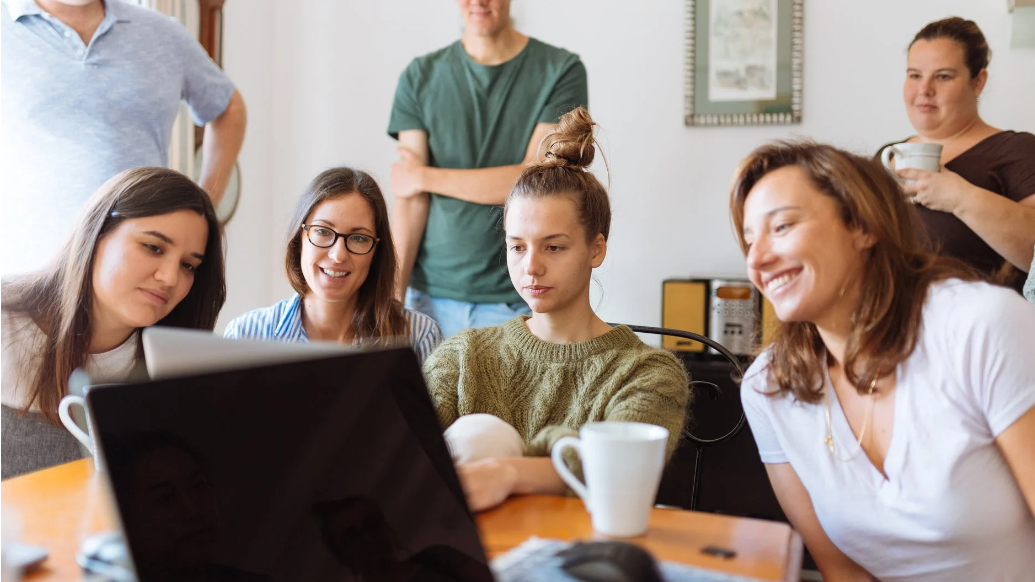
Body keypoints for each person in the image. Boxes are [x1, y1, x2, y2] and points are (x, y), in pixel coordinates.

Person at [731, 141, 1035, 581]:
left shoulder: (980, 325)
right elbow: (843, 573)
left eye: (781, 227)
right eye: (748, 239)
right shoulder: (769, 387)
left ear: (862, 226)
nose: (757, 260)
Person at [422, 108, 690, 512]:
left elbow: (622, 472)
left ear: (596, 249)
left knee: (486, 436)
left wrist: (508, 473)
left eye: (554, 246)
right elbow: (398, 456)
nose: (531, 266)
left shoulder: (647, 373)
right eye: (517, 246)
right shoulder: (462, 357)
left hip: (583, 562)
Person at [1, 167, 226, 479]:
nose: (170, 278)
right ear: (96, 233)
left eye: (188, 265)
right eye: (153, 247)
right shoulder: (5, 321)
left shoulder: (175, 366)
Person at [0, 0, 247, 278]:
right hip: (22, 275)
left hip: (142, 277)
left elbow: (229, 108)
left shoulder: (162, 34)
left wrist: (207, 204)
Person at [388, 0, 588, 338]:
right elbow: (410, 199)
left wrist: (424, 175)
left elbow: (534, 180)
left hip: (516, 298)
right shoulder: (419, 76)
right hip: (426, 301)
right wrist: (392, 299)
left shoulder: (561, 69)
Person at [224, 168, 441, 365]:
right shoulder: (245, 336)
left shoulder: (418, 335)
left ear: (376, 252)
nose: (338, 255)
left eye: (358, 238)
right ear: (299, 239)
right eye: (323, 231)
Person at [884, 16, 1035, 293]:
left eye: (943, 76)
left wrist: (959, 197)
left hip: (981, 332)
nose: (924, 90)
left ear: (978, 82)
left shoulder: (1019, 150)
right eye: (915, 75)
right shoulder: (887, 155)